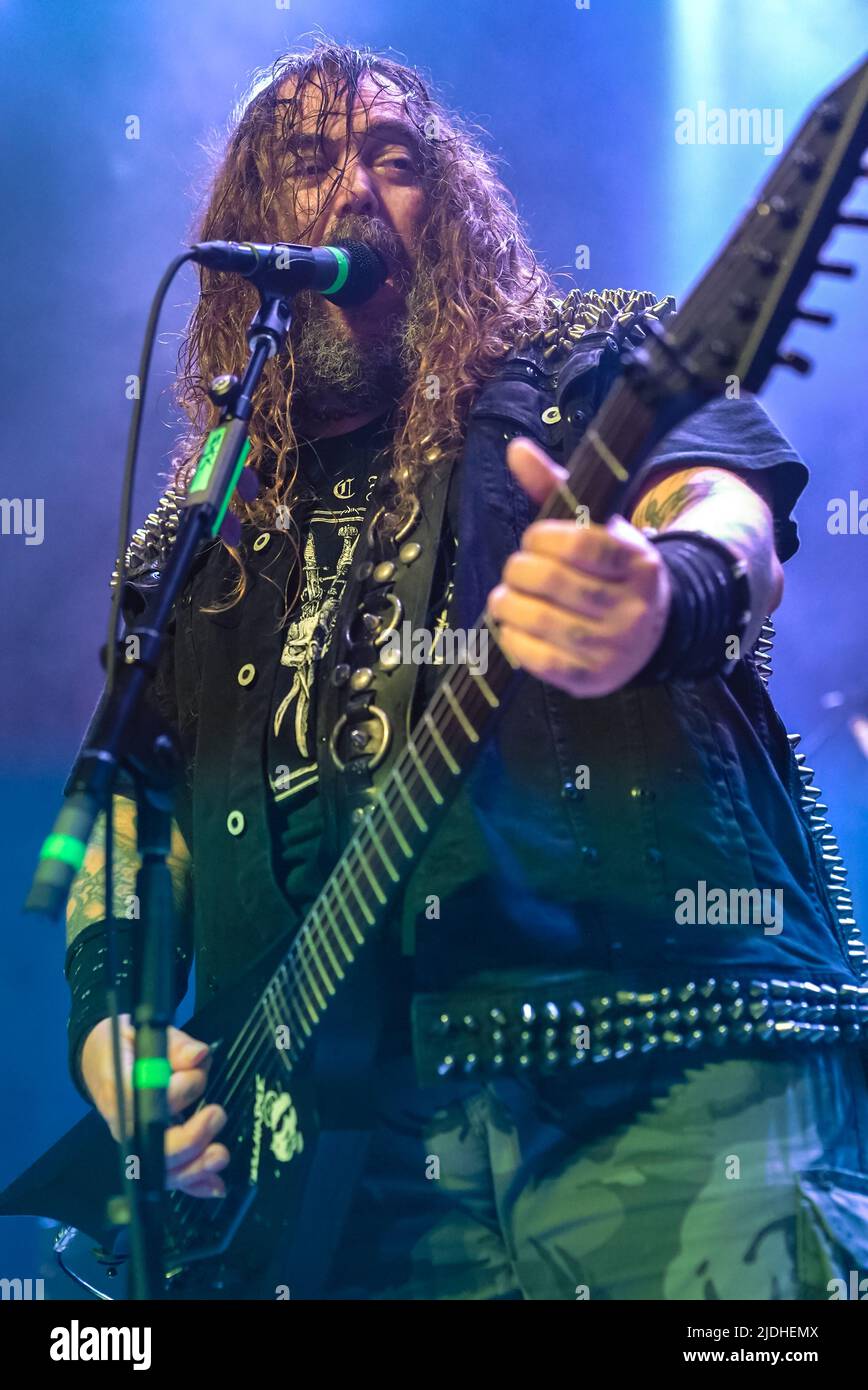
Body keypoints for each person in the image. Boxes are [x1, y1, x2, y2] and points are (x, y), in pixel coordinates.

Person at [64, 41, 868, 1300]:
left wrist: (659, 592)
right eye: (309, 160)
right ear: (245, 228)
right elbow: (127, 822)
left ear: (450, 212)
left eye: (396, 160)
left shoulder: (582, 364)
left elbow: (726, 509)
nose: (353, 186)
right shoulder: (199, 538)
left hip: (660, 1071)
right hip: (344, 1161)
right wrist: (107, 1027)